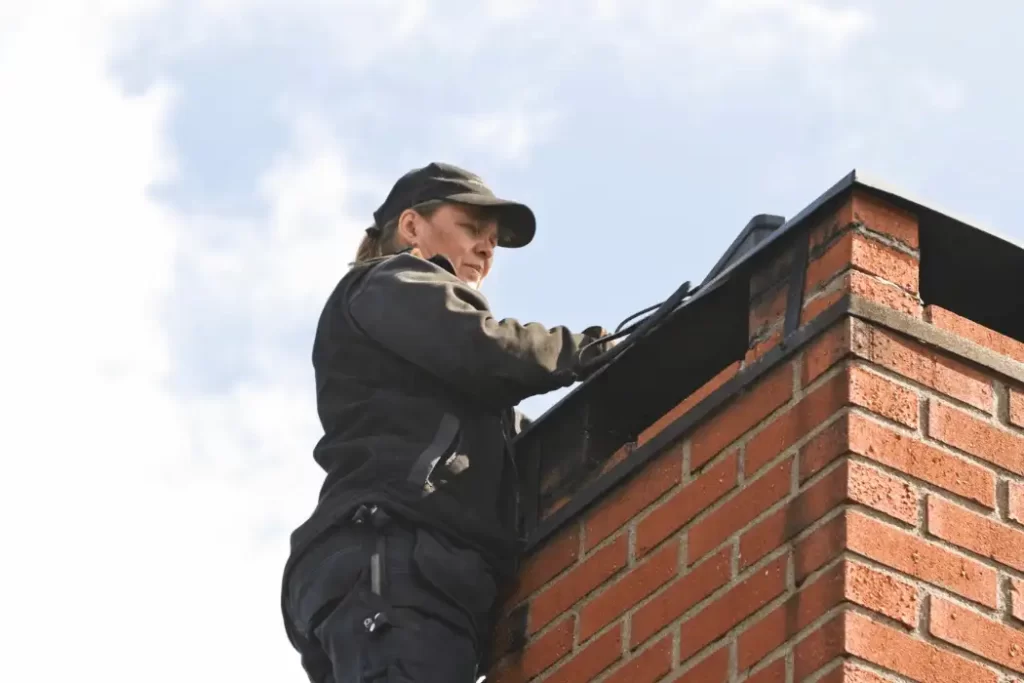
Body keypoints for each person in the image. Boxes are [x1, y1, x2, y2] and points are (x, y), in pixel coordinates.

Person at [280, 162, 612, 682]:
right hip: (394, 555)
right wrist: (594, 349)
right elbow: (487, 349)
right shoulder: (391, 281)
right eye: (471, 228)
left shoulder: (438, 372)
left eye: (494, 240)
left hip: (388, 569)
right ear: (412, 227)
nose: (487, 248)